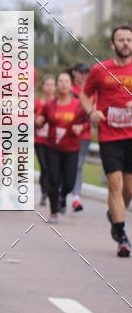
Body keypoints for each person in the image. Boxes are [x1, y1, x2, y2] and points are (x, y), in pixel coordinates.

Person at [80, 25, 132, 256]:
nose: (125, 43)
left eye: (129, 40)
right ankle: (121, 235)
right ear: (113, 44)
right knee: (114, 183)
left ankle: (115, 214)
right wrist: (92, 112)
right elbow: (84, 94)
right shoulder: (100, 70)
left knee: (128, 189)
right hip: (109, 135)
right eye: (121, 39)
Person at [35, 71, 85, 224]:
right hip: (53, 148)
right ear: (57, 85)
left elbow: (87, 121)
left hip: (71, 148)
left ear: (71, 85)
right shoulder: (50, 105)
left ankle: (62, 196)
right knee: (53, 180)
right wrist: (39, 121)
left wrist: (81, 127)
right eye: (60, 81)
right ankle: (54, 212)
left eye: (66, 81)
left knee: (69, 182)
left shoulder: (78, 105)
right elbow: (41, 120)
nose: (63, 84)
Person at [69, 63, 91, 211]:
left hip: (84, 134)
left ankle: (76, 197)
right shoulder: (67, 89)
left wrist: (81, 127)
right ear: (74, 73)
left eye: (86, 72)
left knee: (78, 166)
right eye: (81, 72)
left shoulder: (91, 92)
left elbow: (93, 114)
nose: (84, 75)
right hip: (67, 134)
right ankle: (61, 193)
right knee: (66, 166)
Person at [34, 75, 55, 206]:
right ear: (43, 87)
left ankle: (53, 192)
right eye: (47, 84)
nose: (49, 87)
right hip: (39, 140)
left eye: (52, 84)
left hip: (54, 141)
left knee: (53, 169)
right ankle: (44, 194)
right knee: (45, 167)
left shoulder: (58, 103)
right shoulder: (37, 103)